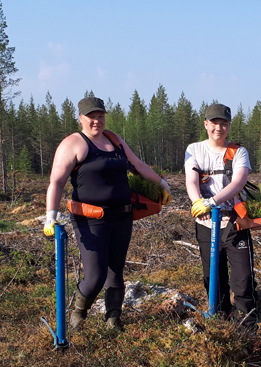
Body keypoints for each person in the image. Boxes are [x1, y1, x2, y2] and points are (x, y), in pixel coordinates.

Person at [44, 96, 172, 330]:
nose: (97, 121)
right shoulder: (73, 144)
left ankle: (113, 320)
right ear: (81, 118)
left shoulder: (115, 140)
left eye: (100, 116)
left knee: (116, 272)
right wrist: (50, 215)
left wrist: (162, 184)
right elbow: (56, 182)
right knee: (95, 276)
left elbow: (138, 165)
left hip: (122, 217)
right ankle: (77, 318)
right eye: (91, 117)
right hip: (90, 219)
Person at [184, 103, 259, 332]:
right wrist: (198, 202)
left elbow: (238, 182)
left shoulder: (238, 152)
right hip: (206, 224)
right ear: (206, 124)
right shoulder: (194, 149)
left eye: (224, 123)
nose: (219, 127)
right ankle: (221, 317)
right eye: (214, 123)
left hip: (234, 223)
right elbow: (191, 179)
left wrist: (212, 202)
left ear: (229, 125)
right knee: (212, 276)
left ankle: (247, 324)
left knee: (243, 278)